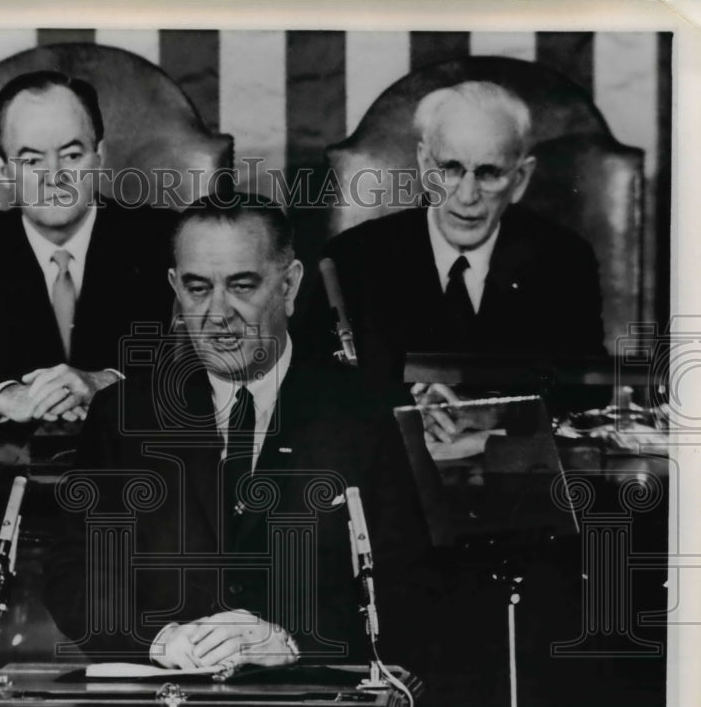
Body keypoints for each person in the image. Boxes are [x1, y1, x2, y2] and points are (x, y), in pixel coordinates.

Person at [44, 193, 433, 675]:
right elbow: (74, 576)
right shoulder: (123, 414)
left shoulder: (364, 413)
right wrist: (163, 641)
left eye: (242, 286)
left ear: (289, 286)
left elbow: (412, 586)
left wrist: (289, 643)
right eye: (197, 289)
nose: (218, 313)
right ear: (174, 288)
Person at [303, 80, 607, 440]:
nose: (467, 196)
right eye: (449, 169)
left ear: (520, 178)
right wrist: (405, 406)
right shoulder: (352, 256)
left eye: (489, 173)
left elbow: (589, 390)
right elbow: (309, 388)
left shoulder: (564, 260)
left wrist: (497, 411)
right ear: (423, 163)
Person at [0, 71, 176, 423]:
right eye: (31, 160)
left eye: (72, 155)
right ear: (3, 171)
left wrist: (108, 383)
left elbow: (212, 362)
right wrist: (5, 396)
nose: (54, 175)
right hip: (7, 466)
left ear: (99, 156)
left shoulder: (166, 240)